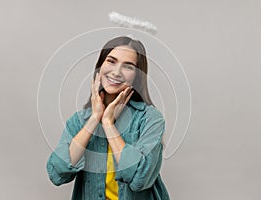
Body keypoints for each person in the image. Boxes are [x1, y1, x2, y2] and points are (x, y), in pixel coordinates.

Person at [46, 36, 170, 200]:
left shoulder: (150, 119)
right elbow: (57, 173)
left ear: (137, 76)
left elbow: (140, 178)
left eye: (128, 66)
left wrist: (108, 124)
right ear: (100, 66)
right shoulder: (79, 120)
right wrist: (94, 119)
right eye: (111, 61)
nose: (116, 72)